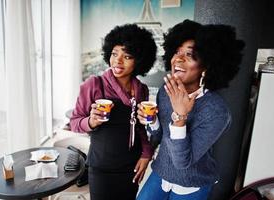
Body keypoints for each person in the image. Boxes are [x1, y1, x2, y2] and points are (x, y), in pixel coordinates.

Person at [136, 20, 245, 200]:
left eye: (190, 54)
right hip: (161, 172)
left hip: (192, 182)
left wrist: (180, 117)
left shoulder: (217, 111)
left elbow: (182, 162)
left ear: (206, 66)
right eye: (177, 51)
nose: (178, 58)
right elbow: (160, 136)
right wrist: (152, 121)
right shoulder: (166, 92)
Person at [70, 24, 157, 200]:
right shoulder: (94, 85)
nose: (118, 61)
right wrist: (91, 122)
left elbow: (140, 128)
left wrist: (146, 154)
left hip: (131, 166)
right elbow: (74, 122)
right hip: (102, 168)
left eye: (127, 56)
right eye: (114, 53)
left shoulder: (141, 89)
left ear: (139, 60)